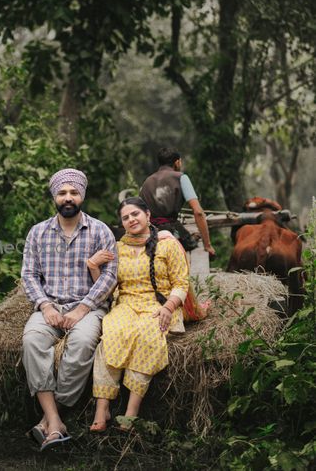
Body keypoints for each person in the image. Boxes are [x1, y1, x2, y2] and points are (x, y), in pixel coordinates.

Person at [21, 168, 117, 451]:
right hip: (50, 306)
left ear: (82, 196)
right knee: (31, 341)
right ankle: (55, 420)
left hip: (88, 307)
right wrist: (45, 306)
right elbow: (29, 275)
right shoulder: (38, 232)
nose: (68, 198)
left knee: (83, 342)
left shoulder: (100, 230)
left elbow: (110, 276)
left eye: (74, 192)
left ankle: (50, 419)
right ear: (54, 197)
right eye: (62, 193)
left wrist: (83, 308)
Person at [90, 197, 189, 432]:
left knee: (147, 335)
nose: (131, 220)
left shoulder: (167, 244)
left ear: (147, 215)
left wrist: (169, 307)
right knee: (112, 334)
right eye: (125, 217)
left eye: (135, 214)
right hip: (126, 305)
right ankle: (102, 409)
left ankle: (130, 413)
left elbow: (181, 283)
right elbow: (107, 289)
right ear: (122, 223)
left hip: (160, 305)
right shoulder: (117, 249)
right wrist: (94, 267)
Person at [140, 148, 216, 258]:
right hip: (171, 230)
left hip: (149, 233)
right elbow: (198, 212)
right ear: (177, 162)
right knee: (193, 244)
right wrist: (207, 245)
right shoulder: (181, 178)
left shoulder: (147, 181)